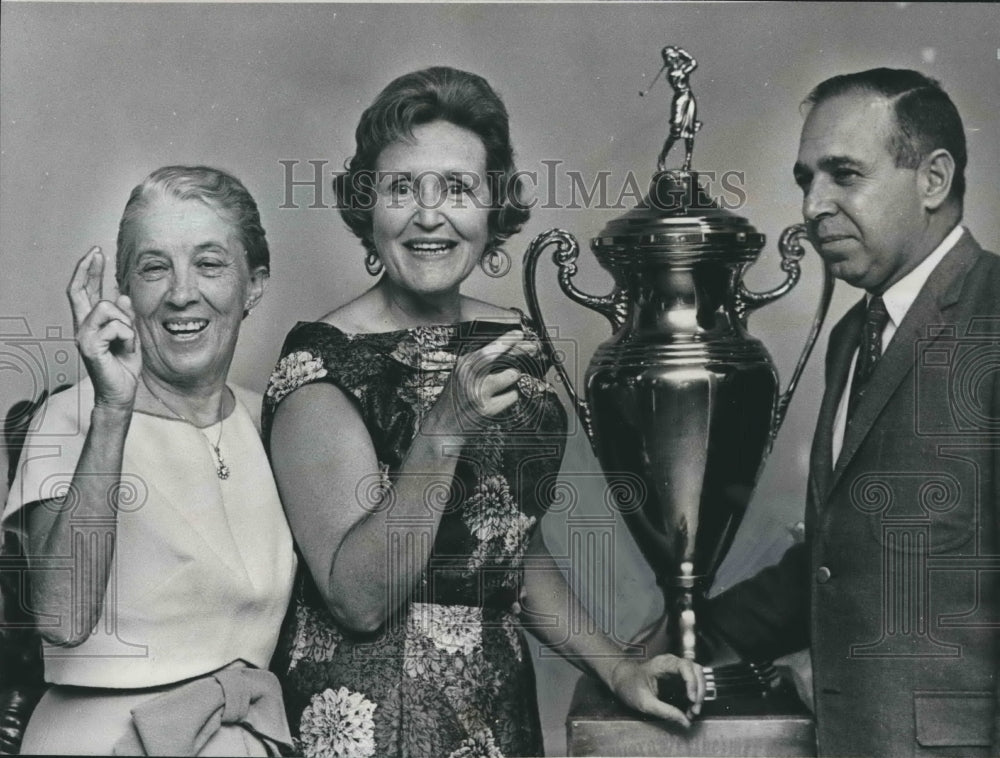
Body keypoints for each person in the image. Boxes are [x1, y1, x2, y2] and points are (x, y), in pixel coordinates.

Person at [263, 66, 706, 758]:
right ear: (366, 205)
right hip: (374, 724)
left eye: (459, 188)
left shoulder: (507, 339)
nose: (429, 215)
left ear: (493, 209)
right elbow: (358, 598)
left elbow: (501, 545)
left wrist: (615, 665)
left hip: (495, 715)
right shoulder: (321, 366)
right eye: (402, 188)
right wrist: (442, 432)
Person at [708, 68, 999, 756]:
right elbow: (845, 555)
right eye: (806, 179)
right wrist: (688, 630)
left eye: (843, 174)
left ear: (932, 179)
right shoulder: (853, 336)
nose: (812, 205)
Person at [2, 166, 297, 755]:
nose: (181, 293)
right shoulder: (73, 416)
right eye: (154, 266)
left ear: (254, 284)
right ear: (126, 290)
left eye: (209, 264)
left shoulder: (273, 423)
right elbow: (61, 618)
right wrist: (114, 407)